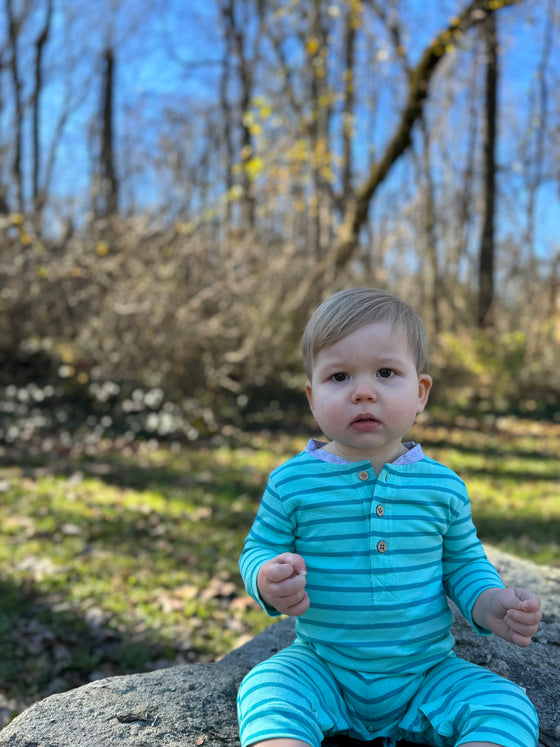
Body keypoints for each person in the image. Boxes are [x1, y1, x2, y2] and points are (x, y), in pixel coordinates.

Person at [237, 287, 542, 747]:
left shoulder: (443, 487)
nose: (363, 391)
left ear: (420, 392)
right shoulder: (292, 482)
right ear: (312, 397)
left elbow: (462, 563)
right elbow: (258, 548)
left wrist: (490, 602)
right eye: (339, 376)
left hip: (426, 673)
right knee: (266, 693)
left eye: (385, 372)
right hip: (321, 664)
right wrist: (265, 576)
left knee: (507, 706)